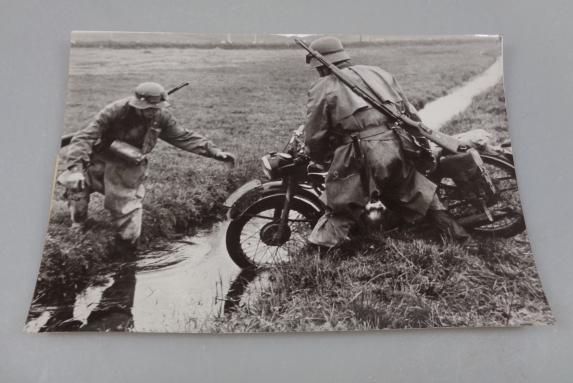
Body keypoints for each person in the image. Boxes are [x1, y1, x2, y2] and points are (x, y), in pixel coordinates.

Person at [302, 37, 472, 248]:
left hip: (361, 153)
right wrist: (420, 145)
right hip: (397, 144)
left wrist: (318, 158)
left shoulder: (323, 87)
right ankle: (459, 237)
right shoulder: (378, 73)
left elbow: (315, 132)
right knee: (417, 192)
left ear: (322, 65)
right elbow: (409, 112)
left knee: (341, 203)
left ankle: (319, 255)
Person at [58, 82, 236, 256]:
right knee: (77, 185)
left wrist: (215, 152)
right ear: (137, 104)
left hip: (127, 166)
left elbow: (184, 136)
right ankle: (78, 224)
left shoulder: (161, 117)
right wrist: (75, 168)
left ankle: (126, 252)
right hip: (99, 159)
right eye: (148, 108)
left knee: (126, 209)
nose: (152, 111)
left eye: (156, 107)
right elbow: (84, 137)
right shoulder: (114, 111)